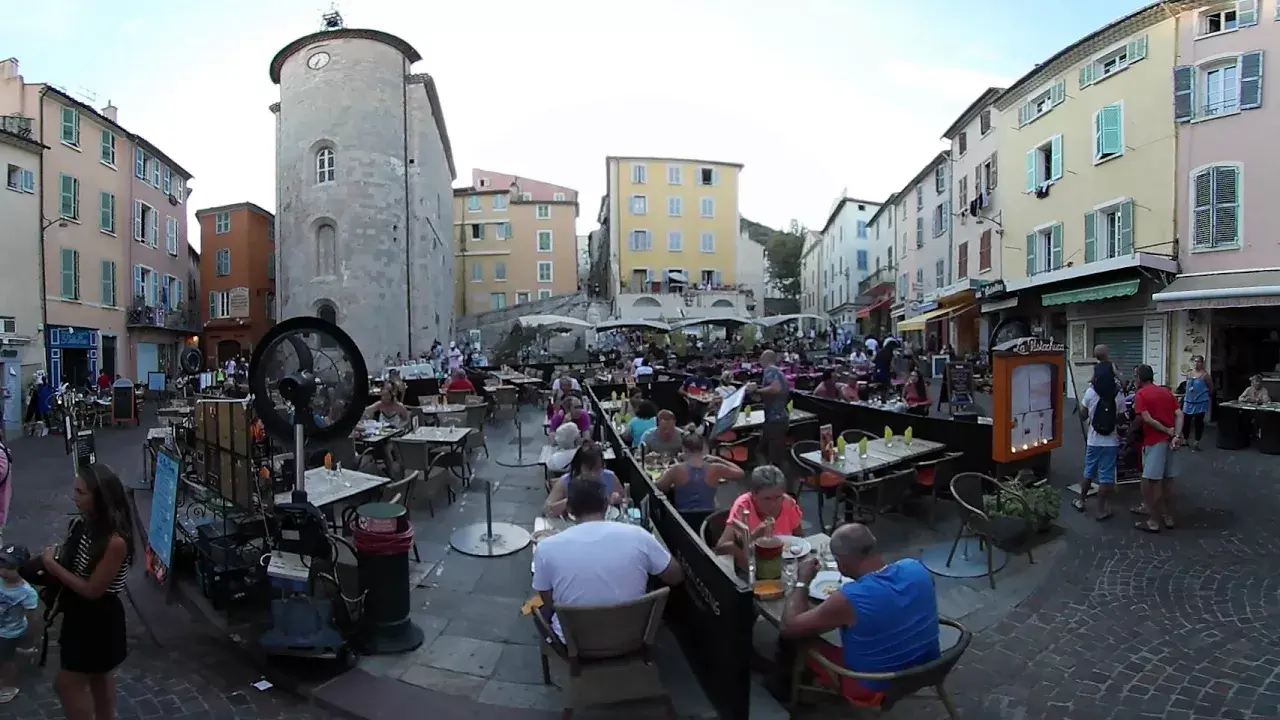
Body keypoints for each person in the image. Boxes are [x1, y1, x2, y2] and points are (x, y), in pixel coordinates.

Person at [778, 524, 940, 706]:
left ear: (841, 562)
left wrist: (802, 581)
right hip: (929, 668)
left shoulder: (849, 598)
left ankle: (784, 691)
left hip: (870, 686)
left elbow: (788, 627)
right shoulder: (916, 568)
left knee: (795, 638)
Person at [533, 476, 683, 642]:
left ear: (569, 509)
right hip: (633, 638)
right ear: (606, 504)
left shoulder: (546, 548)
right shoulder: (639, 535)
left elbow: (548, 599)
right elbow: (675, 576)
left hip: (576, 643)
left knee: (540, 612)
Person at [42, 464, 133, 718]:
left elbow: (93, 590)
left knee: (67, 684)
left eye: (81, 492)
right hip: (80, 613)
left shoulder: (114, 541)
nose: (75, 496)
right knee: (99, 679)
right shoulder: (85, 525)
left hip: (98, 620)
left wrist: (51, 565)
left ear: (99, 498)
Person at [715, 466, 803, 566]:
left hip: (784, 563)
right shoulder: (743, 507)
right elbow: (721, 547)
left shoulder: (788, 503)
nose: (773, 504)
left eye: (778, 497)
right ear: (754, 495)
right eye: (767, 499)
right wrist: (754, 537)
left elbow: (799, 537)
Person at [1131, 364, 1183, 534]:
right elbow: (1179, 414)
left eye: (1135, 377)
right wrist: (1176, 435)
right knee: (1168, 481)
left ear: (1139, 378)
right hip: (1169, 442)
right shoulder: (1166, 392)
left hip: (1154, 441)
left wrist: (1167, 430)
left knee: (1152, 483)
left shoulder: (1141, 394)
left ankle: (1153, 521)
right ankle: (1169, 517)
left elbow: (1146, 418)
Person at [1073, 362, 1124, 520]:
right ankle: (1101, 510)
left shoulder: (1090, 392)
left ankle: (1081, 501)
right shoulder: (1118, 394)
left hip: (1093, 440)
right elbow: (1121, 418)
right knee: (1106, 477)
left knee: (1089, 471)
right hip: (1111, 442)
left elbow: (1083, 416)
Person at [657, 433, 743, 525]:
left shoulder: (676, 469)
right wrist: (718, 459)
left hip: (682, 520)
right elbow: (740, 473)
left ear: (684, 449)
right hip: (708, 519)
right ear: (702, 449)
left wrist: (668, 474)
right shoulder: (716, 468)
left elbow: (660, 487)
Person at [541, 443, 625, 517]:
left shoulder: (609, 477)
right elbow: (546, 510)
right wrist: (568, 502)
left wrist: (618, 498)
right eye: (589, 469)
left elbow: (625, 499)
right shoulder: (566, 481)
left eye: (598, 468)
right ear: (579, 467)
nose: (593, 474)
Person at [0, 543, 38, 703]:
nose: (2, 571)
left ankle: (9, 686)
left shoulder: (26, 593)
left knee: (6, 660)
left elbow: (33, 617)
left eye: (9, 568)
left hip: (10, 632)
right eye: (0, 566)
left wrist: (30, 640)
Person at [744, 350, 791, 479]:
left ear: (765, 359)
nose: (759, 361)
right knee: (764, 451)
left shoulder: (770, 370)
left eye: (760, 358)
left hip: (776, 419)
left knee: (771, 455)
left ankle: (774, 482)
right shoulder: (778, 371)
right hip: (778, 417)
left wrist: (757, 390)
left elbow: (775, 389)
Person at [1180, 355, 1212, 451]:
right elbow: (1187, 386)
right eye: (1195, 361)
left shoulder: (1205, 376)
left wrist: (1204, 396)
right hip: (1189, 401)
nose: (1196, 364)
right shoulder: (1189, 374)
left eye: (1199, 362)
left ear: (1202, 363)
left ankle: (1197, 441)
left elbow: (1211, 389)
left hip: (1200, 402)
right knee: (1186, 421)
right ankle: (1185, 439)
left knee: (1198, 422)